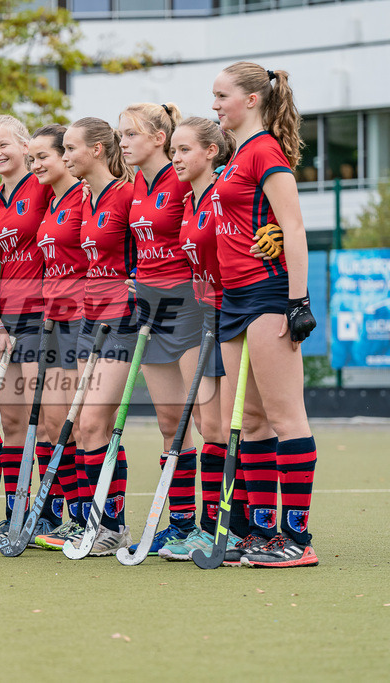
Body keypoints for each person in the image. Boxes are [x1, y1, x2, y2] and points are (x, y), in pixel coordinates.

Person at [211, 62, 318, 568]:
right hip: (234, 299)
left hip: (267, 294)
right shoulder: (236, 155)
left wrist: (298, 302)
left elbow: (293, 226)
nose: (214, 105)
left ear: (252, 99)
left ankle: (297, 538)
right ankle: (260, 532)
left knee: (284, 414)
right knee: (251, 420)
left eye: (222, 96)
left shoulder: (264, 150)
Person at [117, 102, 211, 555]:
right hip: (151, 310)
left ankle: (216, 525)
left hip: (189, 308)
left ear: (159, 138)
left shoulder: (183, 178)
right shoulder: (136, 183)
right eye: (120, 134)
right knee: (171, 422)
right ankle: (180, 522)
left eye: (130, 134)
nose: (122, 143)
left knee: (205, 418)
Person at [158, 116, 244, 560]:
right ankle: (213, 527)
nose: (175, 158)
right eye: (173, 150)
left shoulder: (223, 192)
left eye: (184, 150)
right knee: (210, 426)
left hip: (234, 315)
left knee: (228, 426)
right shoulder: (190, 200)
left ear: (211, 151)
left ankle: (236, 528)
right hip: (204, 316)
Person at [61, 117, 137, 555]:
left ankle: (112, 527)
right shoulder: (85, 198)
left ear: (97, 150)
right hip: (88, 320)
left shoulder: (126, 194)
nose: (65, 156)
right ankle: (103, 526)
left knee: (92, 423)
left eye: (71, 148)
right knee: (88, 429)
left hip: (123, 319)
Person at [0, 115, 51, 543]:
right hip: (7, 320)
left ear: (25, 146)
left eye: (3, 144)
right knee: (11, 420)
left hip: (44, 315)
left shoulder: (44, 187)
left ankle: (50, 512)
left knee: (47, 421)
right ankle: (16, 511)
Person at [27, 124, 92, 550]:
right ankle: (71, 514)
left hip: (82, 319)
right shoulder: (51, 201)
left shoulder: (84, 197)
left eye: (43, 157)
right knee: (53, 424)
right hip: (51, 320)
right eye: (32, 159)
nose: (36, 165)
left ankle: (92, 518)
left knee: (83, 424)